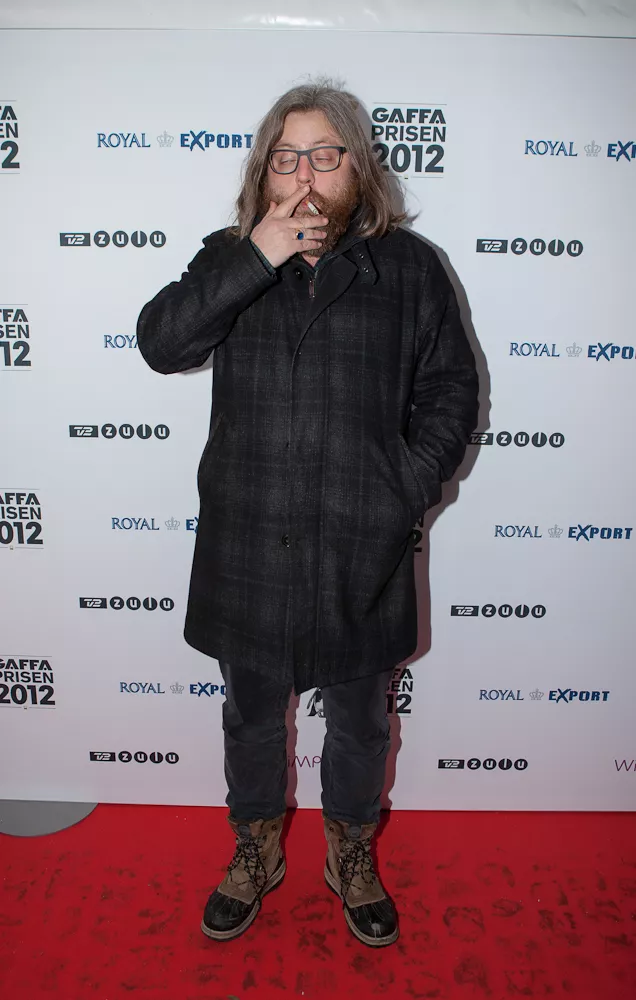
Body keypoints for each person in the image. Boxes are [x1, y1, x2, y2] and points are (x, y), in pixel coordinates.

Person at [137, 79, 479, 948]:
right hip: (250, 536)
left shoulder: (409, 267)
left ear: (356, 167)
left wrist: (403, 486)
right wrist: (255, 256)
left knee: (361, 722)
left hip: (362, 543)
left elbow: (451, 391)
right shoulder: (230, 256)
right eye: (286, 157)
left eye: (324, 155)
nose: (305, 174)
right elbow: (162, 344)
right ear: (264, 170)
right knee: (251, 718)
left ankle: (349, 852)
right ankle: (255, 848)